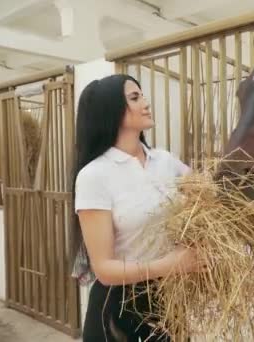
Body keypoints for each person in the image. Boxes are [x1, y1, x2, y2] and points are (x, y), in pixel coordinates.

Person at [71, 74, 207, 341]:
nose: (145, 103)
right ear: (110, 111)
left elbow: (206, 196)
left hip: (169, 301)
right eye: (135, 98)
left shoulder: (165, 160)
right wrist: (170, 264)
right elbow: (104, 270)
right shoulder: (94, 175)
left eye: (142, 95)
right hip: (120, 308)